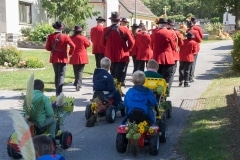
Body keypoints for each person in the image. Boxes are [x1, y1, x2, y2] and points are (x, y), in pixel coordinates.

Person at [100, 11, 134, 87]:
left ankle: (113, 89)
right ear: (119, 20)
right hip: (121, 55)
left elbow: (102, 43)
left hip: (109, 55)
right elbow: (132, 42)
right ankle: (117, 90)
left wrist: (108, 47)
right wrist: (127, 49)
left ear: (111, 20)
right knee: (120, 75)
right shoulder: (125, 29)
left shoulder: (105, 30)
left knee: (112, 73)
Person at [45, 21, 75, 96]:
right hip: (63, 57)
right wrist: (70, 53)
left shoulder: (50, 36)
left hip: (54, 57)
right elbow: (73, 46)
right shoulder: (65, 36)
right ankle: (59, 92)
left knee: (56, 74)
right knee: (61, 75)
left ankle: (57, 91)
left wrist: (53, 48)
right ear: (62, 28)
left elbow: (47, 48)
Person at [151, 18, 176, 90]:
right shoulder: (170, 33)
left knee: (158, 78)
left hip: (156, 58)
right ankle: (164, 94)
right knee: (166, 78)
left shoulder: (154, 33)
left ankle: (157, 93)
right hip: (167, 58)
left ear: (158, 25)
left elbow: (151, 45)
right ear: (166, 24)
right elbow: (174, 46)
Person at [70, 25, 91, 91]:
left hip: (74, 55)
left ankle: (76, 82)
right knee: (80, 71)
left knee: (75, 70)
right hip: (82, 55)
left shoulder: (71, 38)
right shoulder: (83, 38)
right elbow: (88, 44)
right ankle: (78, 84)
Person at [167, 19, 184, 87]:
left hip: (163, 55)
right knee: (171, 73)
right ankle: (168, 87)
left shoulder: (159, 31)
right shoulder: (176, 33)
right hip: (173, 55)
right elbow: (181, 43)